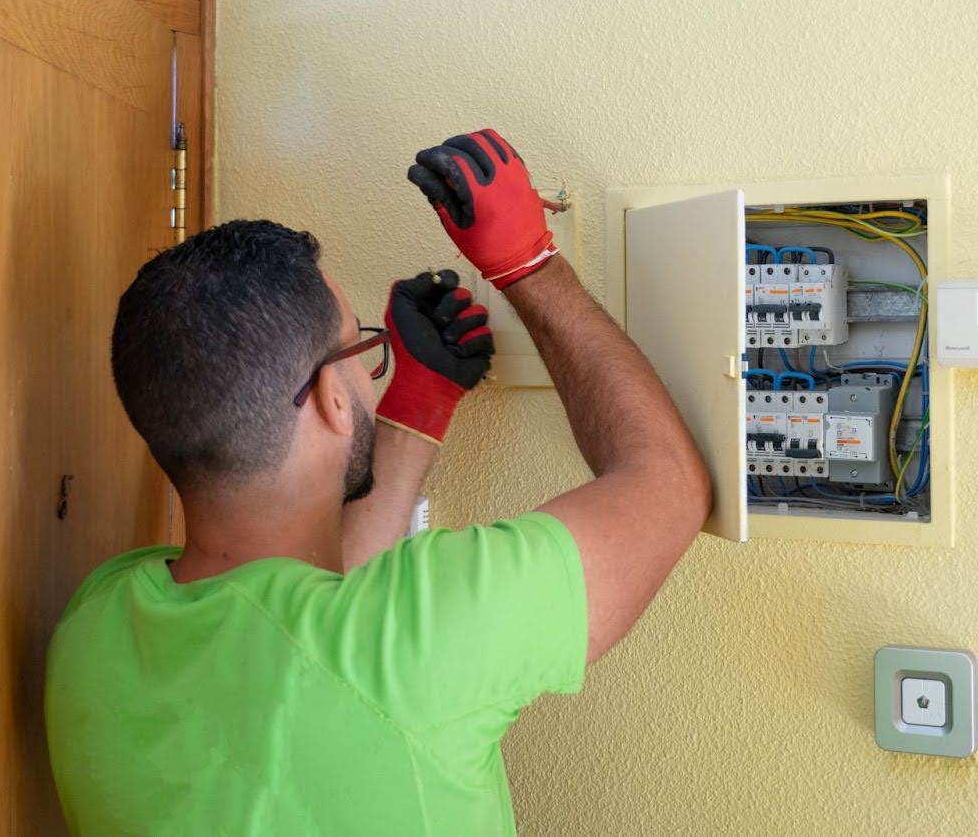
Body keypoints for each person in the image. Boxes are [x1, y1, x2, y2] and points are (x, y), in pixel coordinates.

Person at [44, 129, 712, 835]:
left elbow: (321, 621)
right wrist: (529, 264)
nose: (372, 364)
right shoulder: (417, 643)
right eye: (362, 343)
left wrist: (417, 407)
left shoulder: (98, 623)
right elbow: (668, 487)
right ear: (332, 398)